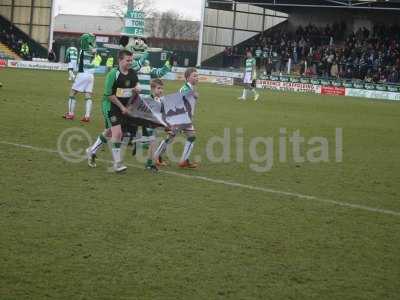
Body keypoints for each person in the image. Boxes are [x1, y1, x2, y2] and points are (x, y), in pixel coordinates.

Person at [87, 50, 140, 173]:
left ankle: (92, 151)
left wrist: (133, 99)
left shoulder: (133, 73)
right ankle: (117, 164)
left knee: (110, 132)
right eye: (128, 60)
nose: (130, 62)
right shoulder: (113, 74)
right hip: (110, 105)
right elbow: (109, 95)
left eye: (131, 60)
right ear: (120, 60)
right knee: (118, 133)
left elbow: (135, 91)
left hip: (124, 106)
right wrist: (122, 108)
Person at [154, 68, 199, 169]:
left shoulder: (190, 88)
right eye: (194, 76)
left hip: (185, 118)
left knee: (190, 136)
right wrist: (192, 94)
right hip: (180, 118)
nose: (197, 78)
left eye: (197, 75)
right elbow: (179, 98)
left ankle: (183, 161)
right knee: (172, 137)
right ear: (187, 78)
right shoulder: (186, 88)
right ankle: (157, 157)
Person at [63, 33, 97, 122]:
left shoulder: (84, 49)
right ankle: (87, 116)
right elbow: (93, 49)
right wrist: (92, 39)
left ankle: (70, 114)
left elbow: (84, 44)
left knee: (72, 93)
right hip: (91, 75)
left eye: (82, 39)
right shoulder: (93, 50)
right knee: (88, 95)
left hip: (83, 73)